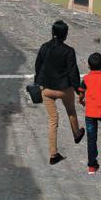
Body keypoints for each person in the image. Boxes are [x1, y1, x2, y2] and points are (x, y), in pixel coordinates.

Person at [34, 20, 85, 165]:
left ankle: (53, 154)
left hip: (47, 90)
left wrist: (37, 83)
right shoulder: (69, 51)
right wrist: (79, 91)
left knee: (53, 120)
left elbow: (38, 66)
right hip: (64, 90)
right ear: (65, 35)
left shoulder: (44, 47)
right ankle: (76, 133)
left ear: (52, 32)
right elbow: (73, 73)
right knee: (71, 111)